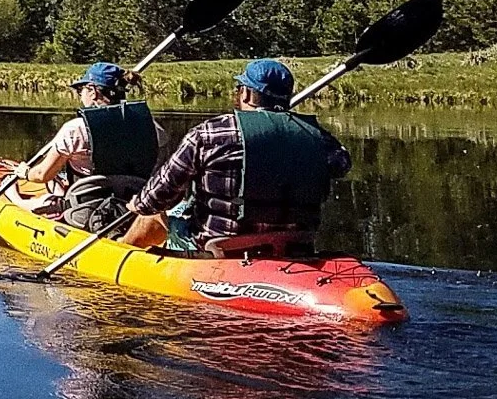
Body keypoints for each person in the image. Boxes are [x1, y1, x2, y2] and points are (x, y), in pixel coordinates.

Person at [120, 59, 352, 256]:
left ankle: (119, 256)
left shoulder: (209, 133)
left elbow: (158, 195)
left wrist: (138, 203)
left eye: (240, 88)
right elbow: (342, 164)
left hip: (220, 247)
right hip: (294, 244)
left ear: (247, 93)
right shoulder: (316, 137)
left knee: (152, 215)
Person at [15, 62, 166, 227]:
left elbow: (42, 175)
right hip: (132, 209)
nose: (80, 95)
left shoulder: (75, 129)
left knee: (22, 201)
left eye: (81, 90)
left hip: (85, 212)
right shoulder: (151, 127)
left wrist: (26, 173)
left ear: (92, 91)